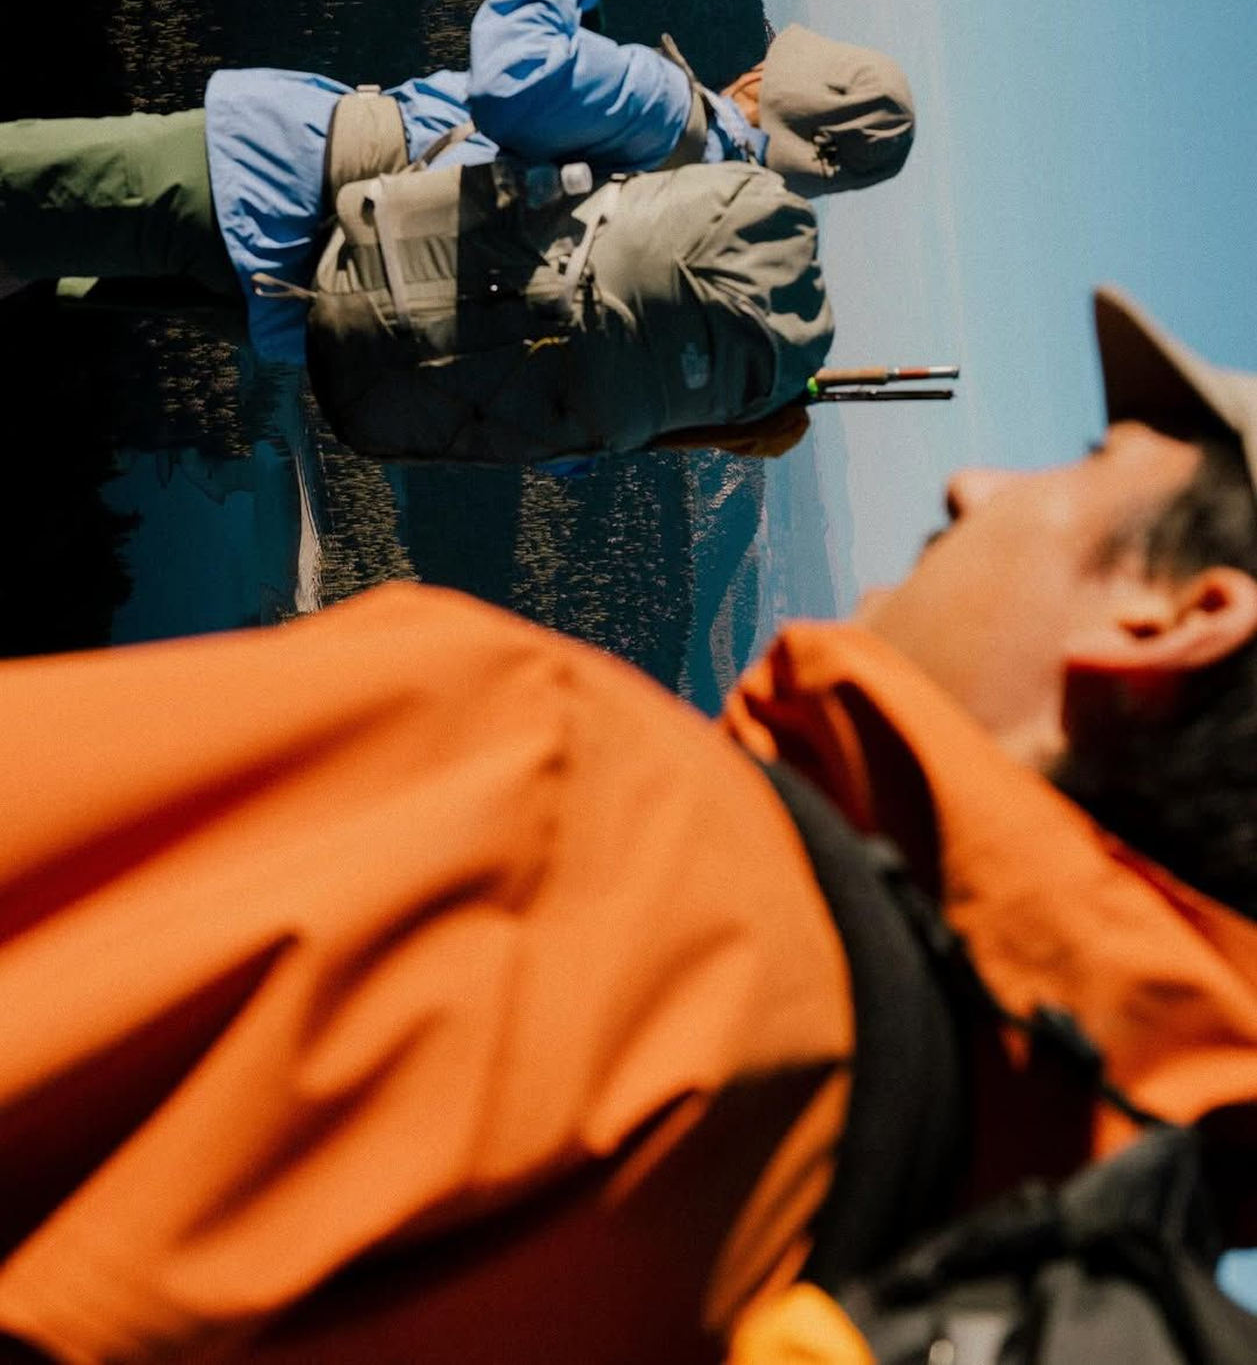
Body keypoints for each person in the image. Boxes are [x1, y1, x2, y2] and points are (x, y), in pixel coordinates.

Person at [2, 284, 1253, 1365]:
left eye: (1089, 462)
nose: (972, 481)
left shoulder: (559, 807)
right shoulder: (1011, 1268)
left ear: (1174, 620)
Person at [0, 0, 915, 366]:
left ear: (776, 86)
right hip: (309, 307)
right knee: (33, 268)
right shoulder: (713, 250)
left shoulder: (674, 110)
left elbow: (513, 76)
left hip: (271, 179)